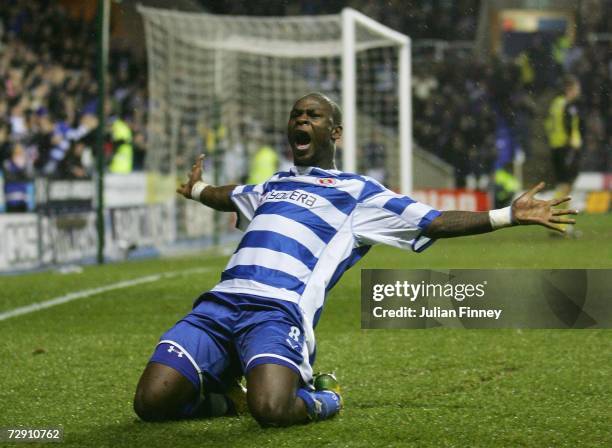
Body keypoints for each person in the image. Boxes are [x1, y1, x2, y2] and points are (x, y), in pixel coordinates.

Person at [133, 93, 577, 427]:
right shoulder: (271, 185)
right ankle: (229, 400)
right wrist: (195, 190)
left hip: (276, 312)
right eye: (296, 115)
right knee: (151, 404)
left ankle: (327, 398)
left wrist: (507, 215)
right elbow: (228, 196)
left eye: (313, 115)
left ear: (335, 133)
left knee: (272, 410)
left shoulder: (359, 193)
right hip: (218, 305)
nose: (302, 119)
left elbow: (434, 221)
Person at [545, 75, 583, 233]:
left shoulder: (555, 104)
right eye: (576, 88)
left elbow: (548, 125)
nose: (578, 91)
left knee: (562, 185)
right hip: (565, 147)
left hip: (556, 147)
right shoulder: (568, 105)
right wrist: (571, 144)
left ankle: (557, 223)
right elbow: (568, 126)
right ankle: (558, 224)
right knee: (566, 186)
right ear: (569, 89)